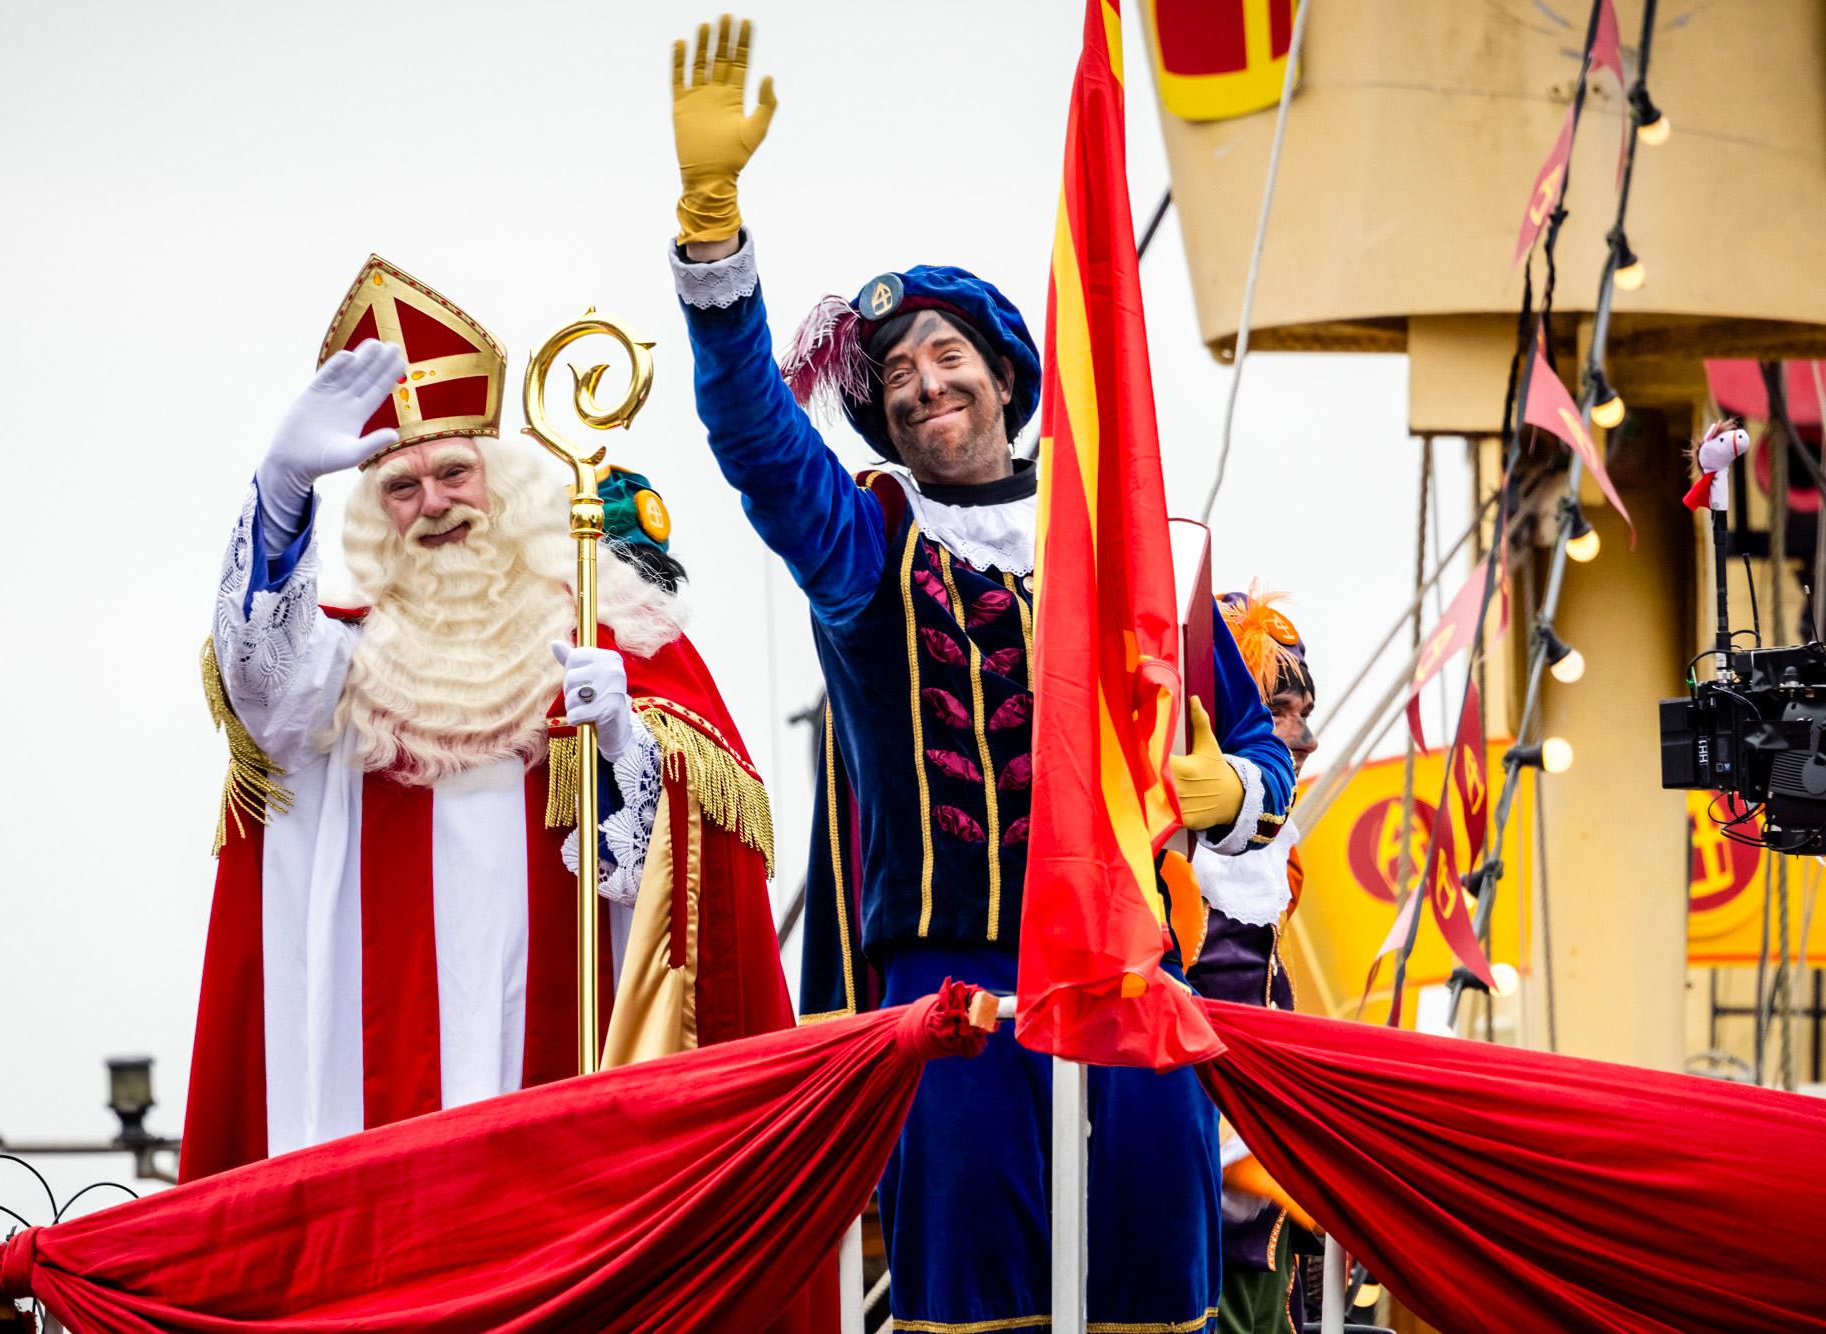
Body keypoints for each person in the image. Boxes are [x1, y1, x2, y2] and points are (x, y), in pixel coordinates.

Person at [663, 19, 1297, 1330]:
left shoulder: (1139, 554)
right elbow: (756, 440)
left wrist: (1225, 781)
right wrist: (715, 239)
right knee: (974, 1311)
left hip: (1132, 986)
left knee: (1152, 1301)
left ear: (1009, 373)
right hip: (949, 998)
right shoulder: (869, 548)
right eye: (893, 373)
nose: (918, 381)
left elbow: (1264, 753)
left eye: (944, 353)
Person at [179, 253, 792, 1185]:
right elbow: (257, 691)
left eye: (454, 474)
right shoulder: (335, 662)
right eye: (401, 487)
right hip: (373, 1074)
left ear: (500, 482)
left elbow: (686, 890)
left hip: (562, 1071)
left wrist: (628, 746)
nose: (433, 505)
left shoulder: (613, 631)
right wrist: (278, 496)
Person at [1190, 586, 1319, 1334]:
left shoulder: (1267, 869)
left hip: (1261, 1208)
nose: (1304, 739)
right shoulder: (1172, 878)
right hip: (1200, 1214)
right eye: (1282, 713)